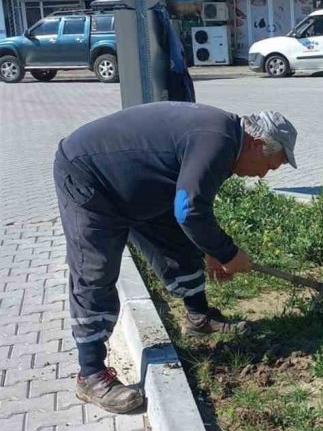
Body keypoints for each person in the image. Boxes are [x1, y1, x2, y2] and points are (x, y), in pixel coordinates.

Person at [53, 104, 297, 414]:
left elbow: (191, 207)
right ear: (258, 144)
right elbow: (190, 211)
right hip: (90, 176)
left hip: (138, 184)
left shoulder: (228, 142)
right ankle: (90, 374)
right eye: (270, 166)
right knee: (94, 271)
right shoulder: (218, 141)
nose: (263, 175)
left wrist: (210, 249)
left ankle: (199, 318)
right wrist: (227, 253)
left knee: (178, 247)